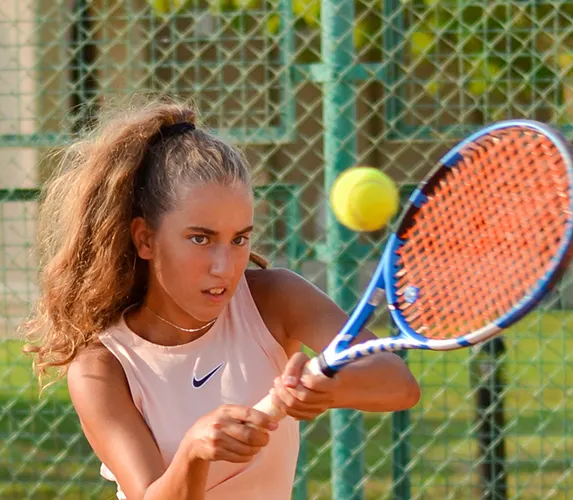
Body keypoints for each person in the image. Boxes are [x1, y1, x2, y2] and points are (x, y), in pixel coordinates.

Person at [21, 97, 421, 499]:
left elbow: (399, 384)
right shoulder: (101, 368)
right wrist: (194, 453)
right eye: (201, 238)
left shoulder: (275, 299)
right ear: (145, 238)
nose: (224, 266)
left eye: (239, 239)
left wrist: (325, 391)